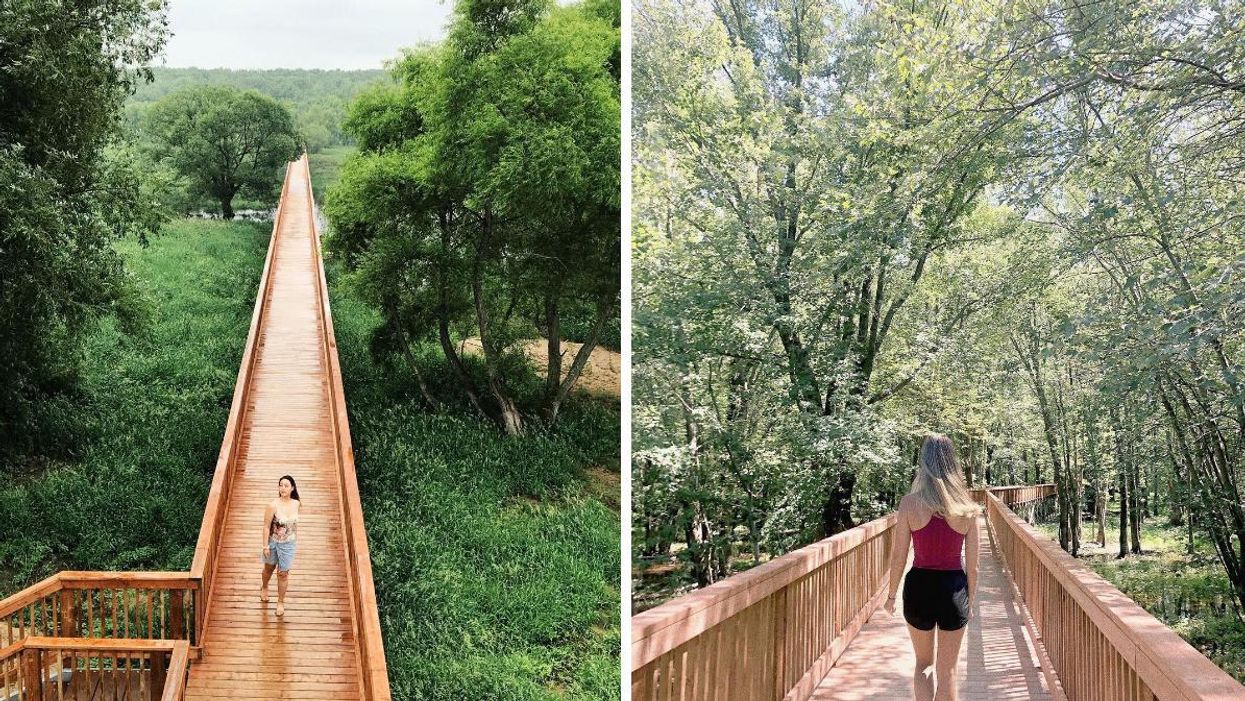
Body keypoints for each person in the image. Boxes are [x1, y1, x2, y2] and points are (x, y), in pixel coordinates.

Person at [883, 434, 981, 701]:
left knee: (923, 664)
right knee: (948, 670)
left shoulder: (909, 504)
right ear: (953, 464)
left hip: (918, 588)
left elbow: (898, 557)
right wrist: (970, 601)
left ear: (923, 462)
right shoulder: (967, 508)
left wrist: (891, 596)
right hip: (954, 590)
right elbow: (973, 567)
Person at [260, 474, 301, 617]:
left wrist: (292, 538)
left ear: (292, 488)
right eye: (281, 485)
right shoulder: (273, 505)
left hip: (289, 544)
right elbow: (266, 526)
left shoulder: (297, 503)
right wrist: (265, 546)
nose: (282, 488)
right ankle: (264, 587)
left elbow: (294, 524)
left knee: (283, 574)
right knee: (269, 568)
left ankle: (280, 602)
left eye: (286, 485)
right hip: (273, 543)